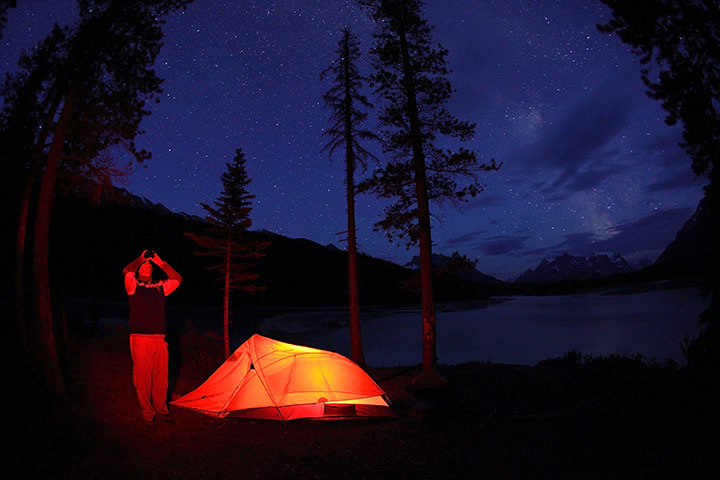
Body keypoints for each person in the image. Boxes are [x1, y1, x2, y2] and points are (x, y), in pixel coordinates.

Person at [122, 250, 182, 426]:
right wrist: (140, 257)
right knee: (143, 376)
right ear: (139, 269)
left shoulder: (159, 286)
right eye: (144, 264)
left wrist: (160, 262)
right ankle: (148, 413)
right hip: (140, 338)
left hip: (160, 338)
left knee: (161, 376)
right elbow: (126, 271)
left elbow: (177, 279)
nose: (148, 264)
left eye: (150, 264)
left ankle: (161, 410)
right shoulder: (133, 285)